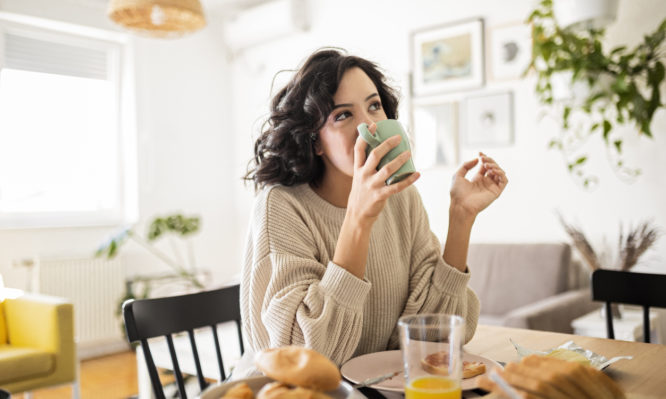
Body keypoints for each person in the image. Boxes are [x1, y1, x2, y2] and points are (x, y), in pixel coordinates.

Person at [240, 48, 507, 366]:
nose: (369, 127)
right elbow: (303, 358)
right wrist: (358, 219)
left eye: (374, 106)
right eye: (343, 115)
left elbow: (434, 338)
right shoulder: (280, 207)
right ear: (315, 141)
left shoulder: (401, 198)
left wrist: (461, 217)